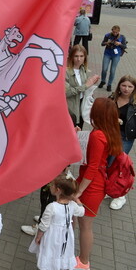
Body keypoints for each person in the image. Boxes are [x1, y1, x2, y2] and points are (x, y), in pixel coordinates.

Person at [75, 98, 123, 269]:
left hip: (91, 185)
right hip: (96, 182)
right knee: (80, 221)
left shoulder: (97, 135)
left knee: (85, 225)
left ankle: (83, 262)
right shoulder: (107, 130)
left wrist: (79, 191)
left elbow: (92, 166)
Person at [28, 174, 85, 270]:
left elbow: (44, 225)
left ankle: (48, 266)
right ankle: (58, 266)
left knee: (50, 250)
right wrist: (77, 200)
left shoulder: (52, 207)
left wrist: (38, 237)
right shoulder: (72, 205)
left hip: (52, 235)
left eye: (52, 185)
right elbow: (82, 212)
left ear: (58, 190)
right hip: (66, 236)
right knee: (61, 252)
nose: (50, 186)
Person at [108, 75, 136, 210]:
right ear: (119, 85)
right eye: (124, 85)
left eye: (130, 86)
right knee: (107, 163)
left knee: (119, 165)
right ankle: (109, 188)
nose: (126, 89)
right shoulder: (112, 98)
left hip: (125, 138)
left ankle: (120, 196)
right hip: (109, 135)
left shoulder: (135, 104)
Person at [65, 45, 100, 128]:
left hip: (81, 105)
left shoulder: (83, 69)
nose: (79, 59)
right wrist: (86, 85)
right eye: (76, 56)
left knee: (79, 130)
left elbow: (85, 87)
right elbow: (67, 92)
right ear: (71, 57)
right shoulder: (66, 72)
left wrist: (91, 83)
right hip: (70, 108)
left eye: (81, 56)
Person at [98, 25, 127, 92]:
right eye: (114, 32)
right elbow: (102, 44)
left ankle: (109, 84)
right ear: (112, 30)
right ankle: (103, 81)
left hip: (116, 55)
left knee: (112, 71)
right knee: (104, 69)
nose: (115, 33)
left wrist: (119, 44)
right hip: (107, 53)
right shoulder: (107, 35)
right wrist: (107, 42)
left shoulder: (122, 37)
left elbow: (125, 46)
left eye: (116, 32)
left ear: (119, 31)